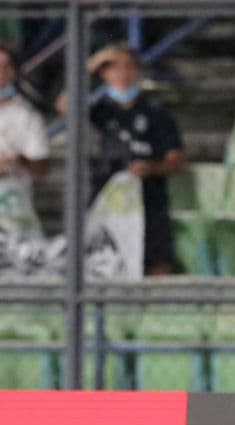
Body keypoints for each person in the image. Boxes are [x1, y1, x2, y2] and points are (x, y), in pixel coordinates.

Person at [87, 43, 186, 275]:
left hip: (148, 202)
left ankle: (157, 309)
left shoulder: (156, 114)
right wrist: (88, 66)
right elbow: (64, 105)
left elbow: (177, 160)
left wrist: (151, 167)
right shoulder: (99, 113)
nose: (122, 74)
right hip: (106, 203)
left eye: (128, 67)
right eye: (114, 68)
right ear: (104, 74)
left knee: (156, 263)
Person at [0, 44, 49, 196]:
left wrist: (16, 160)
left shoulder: (28, 115)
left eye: (5, 66)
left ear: (14, 72)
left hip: (10, 201)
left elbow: (41, 168)